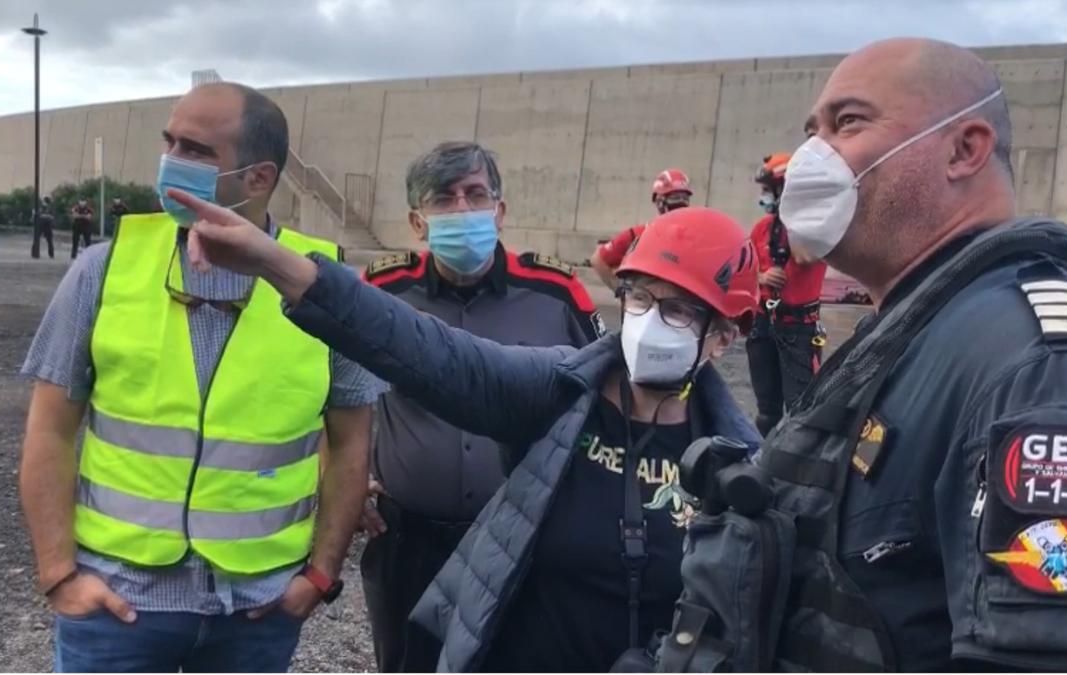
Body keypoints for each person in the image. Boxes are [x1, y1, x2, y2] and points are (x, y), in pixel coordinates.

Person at [675, 37, 1067, 671]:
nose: (813, 155)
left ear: (963, 150)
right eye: (813, 129)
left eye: (849, 122)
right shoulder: (917, 328)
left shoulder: (1036, 366)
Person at [163, 185, 764, 672]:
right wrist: (272, 260)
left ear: (725, 335)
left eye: (679, 309)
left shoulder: (743, 469)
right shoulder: (557, 393)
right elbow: (430, 352)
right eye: (639, 297)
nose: (649, 322)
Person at [19, 81, 383, 673]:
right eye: (170, 142)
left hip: (258, 610)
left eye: (195, 151)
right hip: (120, 605)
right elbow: (50, 431)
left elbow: (350, 443)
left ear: (258, 180)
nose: (170, 163)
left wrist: (320, 574)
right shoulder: (103, 268)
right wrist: (58, 574)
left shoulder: (327, 287)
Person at [358, 141, 605, 672]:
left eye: (476, 195)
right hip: (407, 539)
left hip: (522, 537)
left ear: (500, 210)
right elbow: (332, 395)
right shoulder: (382, 292)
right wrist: (346, 480)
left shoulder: (556, 293)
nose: (464, 210)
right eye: (444, 200)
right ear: (417, 221)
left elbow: (601, 397)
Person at [745, 152, 828, 435]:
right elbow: (743, 270)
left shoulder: (816, 228)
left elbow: (805, 258)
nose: (764, 196)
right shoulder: (761, 229)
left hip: (798, 330)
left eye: (769, 190)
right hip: (763, 325)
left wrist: (794, 215)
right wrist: (761, 276)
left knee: (799, 410)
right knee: (767, 410)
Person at [590, 168, 693, 290]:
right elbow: (598, 259)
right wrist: (619, 289)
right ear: (659, 201)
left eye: (684, 198)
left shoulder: (691, 238)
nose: (681, 202)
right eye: (675, 197)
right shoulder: (638, 235)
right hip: (646, 304)